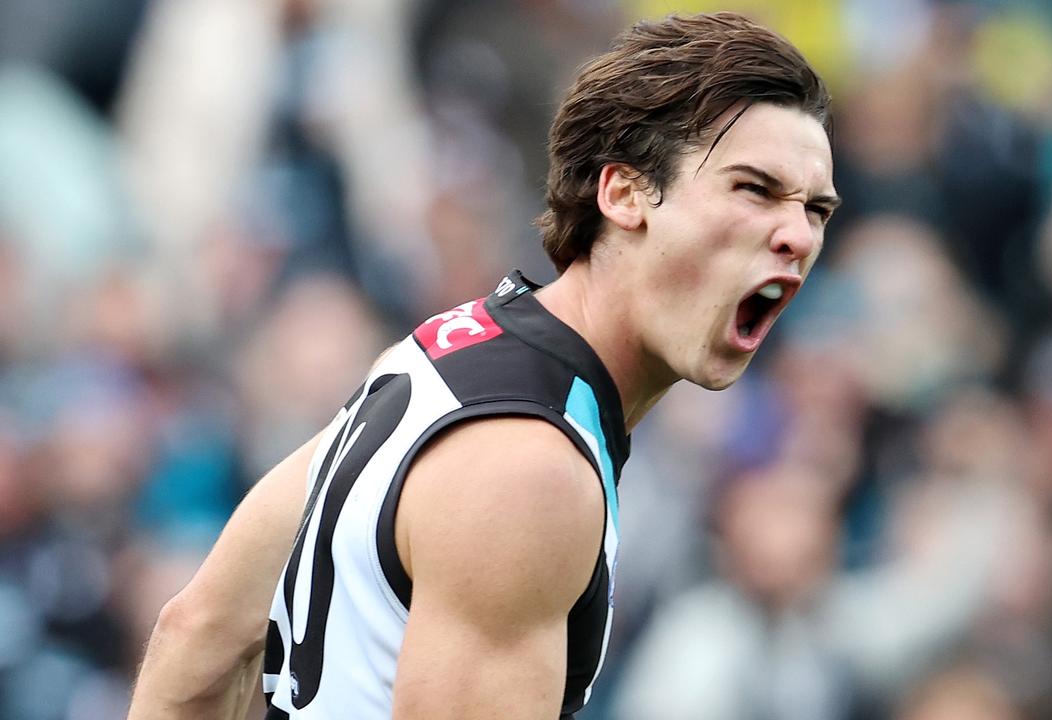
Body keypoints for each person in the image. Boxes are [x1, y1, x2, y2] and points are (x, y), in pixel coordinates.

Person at [126, 11, 839, 720]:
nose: (797, 235)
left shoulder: (448, 348)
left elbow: (194, 639)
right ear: (623, 193)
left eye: (817, 210)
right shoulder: (531, 470)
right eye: (755, 188)